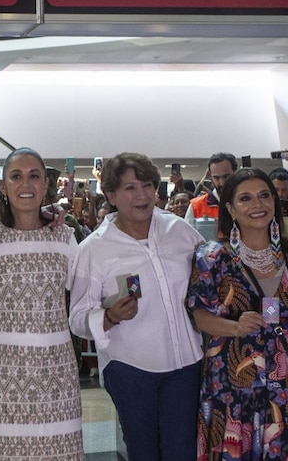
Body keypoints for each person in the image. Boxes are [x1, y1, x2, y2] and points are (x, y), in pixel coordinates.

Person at [69, 152, 205, 460]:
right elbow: (76, 318)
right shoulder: (94, 249)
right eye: (130, 188)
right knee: (143, 452)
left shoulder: (179, 230)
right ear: (111, 195)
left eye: (147, 185)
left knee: (182, 451)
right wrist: (109, 316)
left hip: (185, 363)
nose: (141, 195)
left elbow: (211, 277)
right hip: (130, 368)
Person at [187, 168, 288, 460]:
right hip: (229, 389)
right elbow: (198, 315)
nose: (258, 204)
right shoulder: (213, 258)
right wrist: (234, 327)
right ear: (230, 208)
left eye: (265, 196)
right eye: (246, 198)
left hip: (287, 388)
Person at [0, 147, 83, 459]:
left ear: (45, 185)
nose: (26, 184)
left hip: (57, 373)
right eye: (16, 176)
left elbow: (85, 290)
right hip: (5, 378)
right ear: (5, 186)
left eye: (34, 176)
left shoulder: (63, 236)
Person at [186, 153, 239, 221]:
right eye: (216, 178)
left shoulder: (248, 202)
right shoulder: (196, 206)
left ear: (235, 173)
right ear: (211, 177)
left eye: (226, 177)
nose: (221, 183)